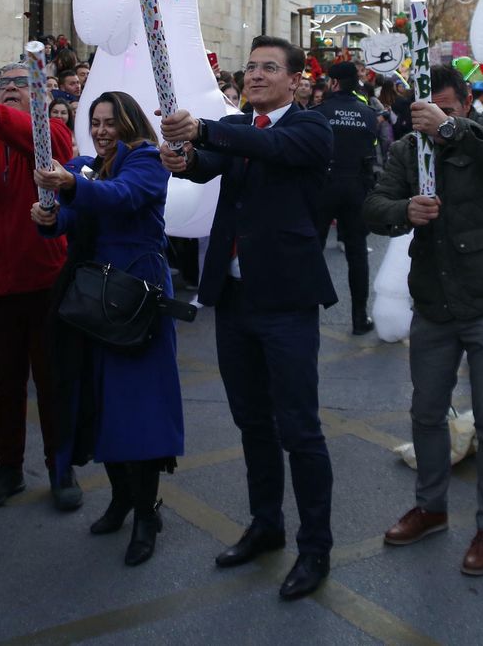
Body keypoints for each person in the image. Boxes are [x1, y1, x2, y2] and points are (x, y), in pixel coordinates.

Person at [159, 36, 337, 601]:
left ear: (294, 80)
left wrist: (205, 132)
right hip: (234, 304)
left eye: (269, 68)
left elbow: (265, 149)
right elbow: (206, 165)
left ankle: (315, 548)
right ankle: (266, 525)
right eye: (251, 67)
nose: (256, 75)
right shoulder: (241, 128)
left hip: (286, 305)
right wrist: (181, 157)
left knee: (300, 431)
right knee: (253, 425)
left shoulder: (309, 129)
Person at [363, 65, 483, 576]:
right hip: (433, 302)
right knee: (426, 413)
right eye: (425, 115)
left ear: (465, 104)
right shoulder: (406, 150)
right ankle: (430, 508)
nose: (432, 123)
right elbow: (374, 205)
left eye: (446, 110)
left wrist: (452, 129)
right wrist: (402, 212)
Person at [32, 91, 184, 567]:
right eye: (94, 121)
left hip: (136, 303)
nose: (100, 130)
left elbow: (124, 198)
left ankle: (146, 513)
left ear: (130, 122)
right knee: (100, 407)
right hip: (91, 303)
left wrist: (71, 189)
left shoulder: (147, 159)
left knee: (139, 410)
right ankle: (121, 499)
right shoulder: (84, 165)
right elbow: (68, 223)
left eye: (110, 121)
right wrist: (49, 217)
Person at [0, 62, 82, 513]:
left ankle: (60, 466)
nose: (8, 91)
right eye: (2, 85)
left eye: (19, 85)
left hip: (46, 275)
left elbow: (52, 152)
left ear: (41, 94)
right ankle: (7, 467)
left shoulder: (52, 131)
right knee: (7, 382)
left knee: (52, 380)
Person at [314, 61, 382, 334]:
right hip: (356, 187)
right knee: (357, 254)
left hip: (324, 187)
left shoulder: (319, 112)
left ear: (334, 83)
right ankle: (359, 317)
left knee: (312, 250)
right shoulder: (368, 114)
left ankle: (305, 310)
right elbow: (372, 149)